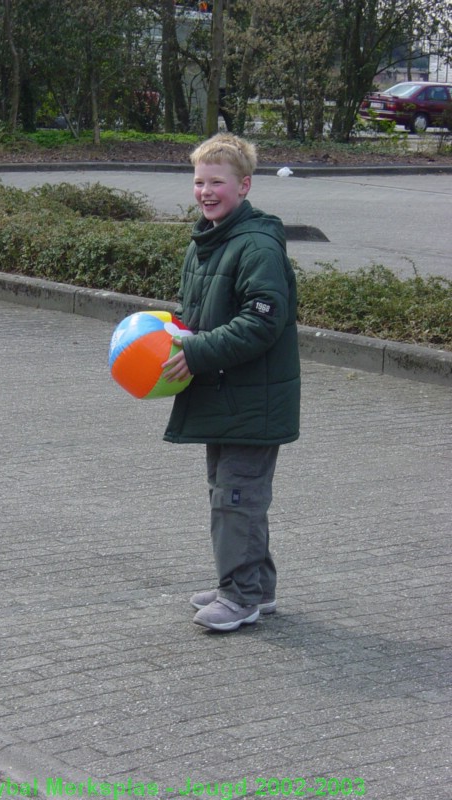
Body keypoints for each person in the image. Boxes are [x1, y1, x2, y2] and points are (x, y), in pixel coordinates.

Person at [162, 132, 300, 632]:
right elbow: (201, 313)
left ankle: (238, 596)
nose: (205, 191)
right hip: (226, 395)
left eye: (216, 182)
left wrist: (195, 351)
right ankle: (255, 589)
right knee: (232, 493)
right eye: (199, 181)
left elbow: (262, 322)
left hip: (252, 401)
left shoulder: (256, 244)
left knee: (237, 498)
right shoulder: (209, 237)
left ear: (244, 185)